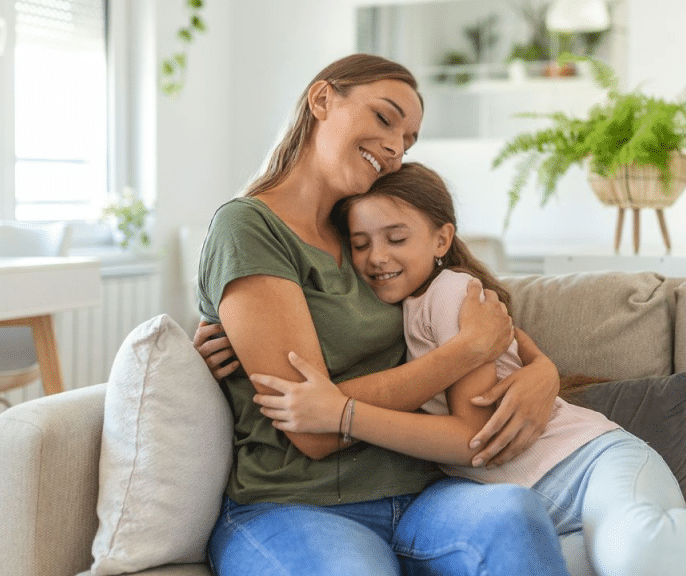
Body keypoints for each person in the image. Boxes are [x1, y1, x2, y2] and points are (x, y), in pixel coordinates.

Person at [241, 162, 686, 576]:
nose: (376, 257)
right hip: (546, 509)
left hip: (592, 465)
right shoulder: (385, 311)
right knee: (611, 564)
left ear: (442, 238)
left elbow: (471, 441)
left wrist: (344, 415)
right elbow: (300, 321)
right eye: (360, 244)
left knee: (636, 550)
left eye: (396, 238)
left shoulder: (454, 296)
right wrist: (223, 334)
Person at [196, 53, 571, 576]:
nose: (396, 148)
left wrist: (543, 372)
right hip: (295, 506)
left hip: (421, 496)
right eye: (384, 117)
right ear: (322, 100)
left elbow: (476, 317)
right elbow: (313, 428)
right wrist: (464, 353)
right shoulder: (249, 229)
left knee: (514, 513)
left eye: (410, 139)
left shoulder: (366, 234)